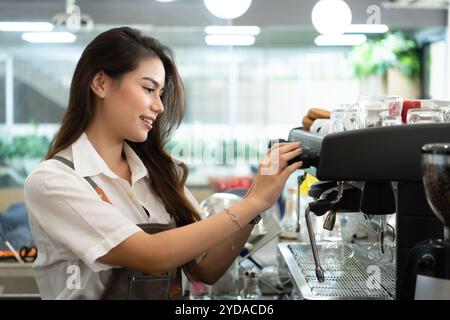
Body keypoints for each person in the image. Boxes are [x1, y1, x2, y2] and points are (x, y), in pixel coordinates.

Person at [23, 27, 303, 300]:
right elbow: (151, 255)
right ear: (101, 83)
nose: (159, 106)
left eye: (161, 94)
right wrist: (251, 203)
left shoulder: (159, 175)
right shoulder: (53, 181)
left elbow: (204, 269)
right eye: (148, 89)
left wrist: (258, 200)